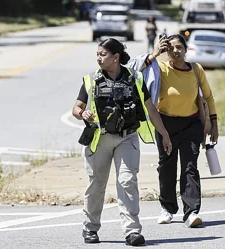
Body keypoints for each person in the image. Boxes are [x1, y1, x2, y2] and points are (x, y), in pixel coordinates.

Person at [72, 38, 172, 246]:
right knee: (96, 185)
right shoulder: (91, 80)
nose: (98, 58)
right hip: (99, 139)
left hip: (127, 138)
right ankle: (90, 228)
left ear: (115, 58)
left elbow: (151, 109)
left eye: (103, 54)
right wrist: (83, 114)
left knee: (127, 182)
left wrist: (164, 134)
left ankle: (132, 231)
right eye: (97, 54)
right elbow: (76, 108)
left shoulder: (134, 78)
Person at [140, 34, 219, 228]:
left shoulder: (196, 69)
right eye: (171, 48)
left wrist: (214, 124)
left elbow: (208, 97)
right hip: (165, 124)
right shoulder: (160, 68)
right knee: (166, 166)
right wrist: (155, 53)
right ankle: (167, 209)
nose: (175, 51)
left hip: (191, 124)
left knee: (189, 166)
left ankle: (191, 212)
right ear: (166, 51)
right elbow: (136, 72)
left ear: (186, 49)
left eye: (179, 47)